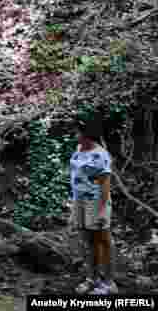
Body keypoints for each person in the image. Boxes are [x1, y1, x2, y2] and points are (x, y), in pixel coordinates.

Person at [69, 118, 117, 294]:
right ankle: (92, 278)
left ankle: (109, 283)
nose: (74, 134)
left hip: (96, 202)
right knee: (87, 241)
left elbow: (105, 183)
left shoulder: (100, 154)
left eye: (77, 131)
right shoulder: (79, 149)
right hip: (79, 201)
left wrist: (102, 210)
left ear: (87, 134)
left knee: (103, 240)